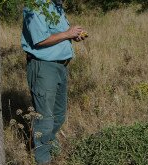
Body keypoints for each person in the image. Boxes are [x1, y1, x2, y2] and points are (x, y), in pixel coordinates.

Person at [21, 0, 86, 164]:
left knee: (59, 115)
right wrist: (68, 34)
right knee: (45, 118)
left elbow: (57, 35)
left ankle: (46, 144)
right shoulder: (34, 6)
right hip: (44, 67)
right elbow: (40, 40)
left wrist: (73, 36)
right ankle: (43, 159)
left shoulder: (55, 6)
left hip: (61, 66)